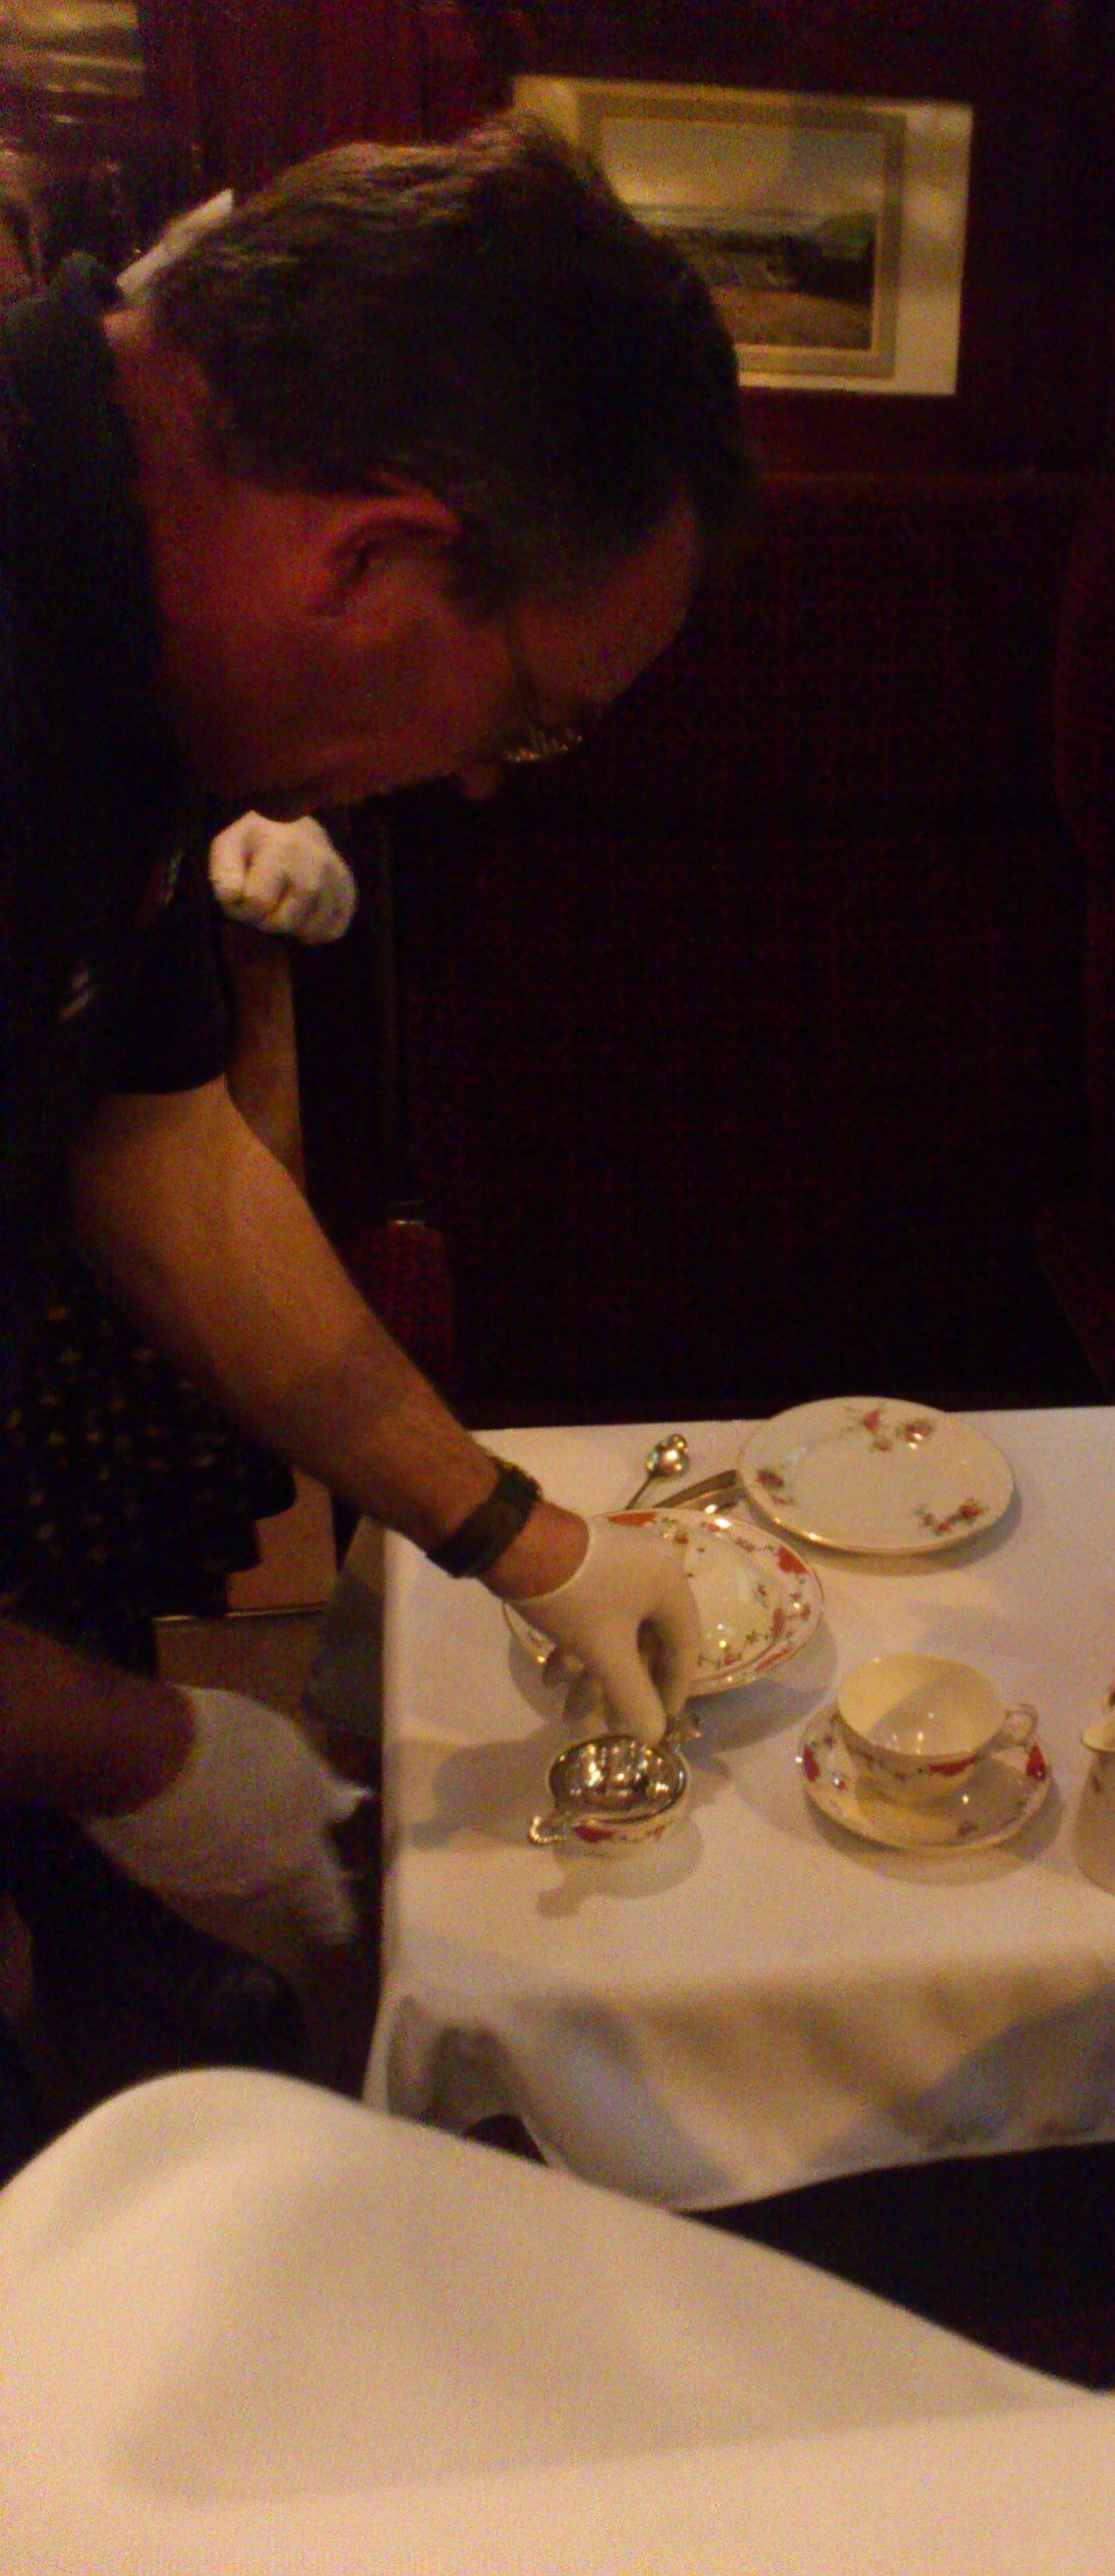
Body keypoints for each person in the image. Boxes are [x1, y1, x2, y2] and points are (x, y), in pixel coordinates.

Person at [0, 121, 751, 1964]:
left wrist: (518, 1535)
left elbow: (161, 1149)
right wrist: (138, 1753)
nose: (487, 778)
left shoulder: (116, 615)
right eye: (532, 716)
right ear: (373, 556)